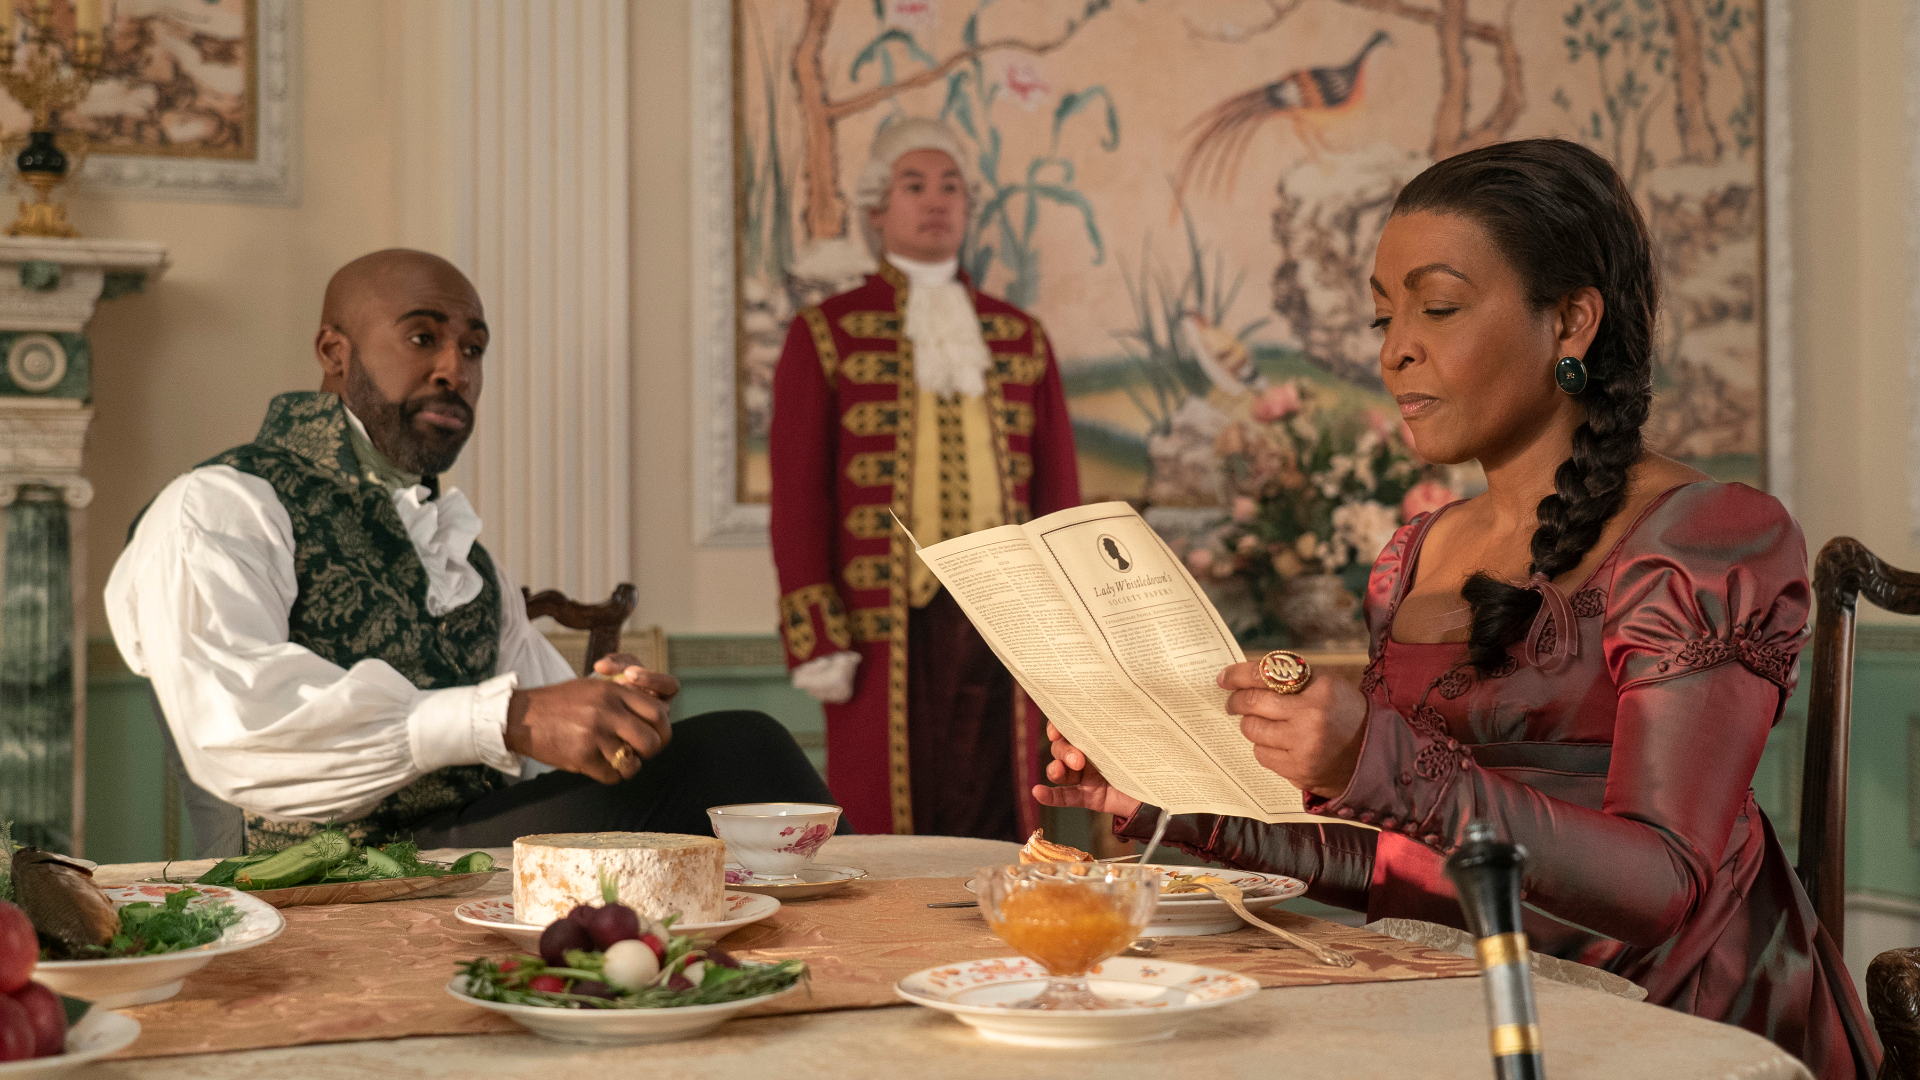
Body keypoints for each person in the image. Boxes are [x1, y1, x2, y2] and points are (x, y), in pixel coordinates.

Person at [1035, 140, 1878, 1078]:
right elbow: (1402, 863)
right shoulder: (1416, 555)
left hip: (1672, 1022)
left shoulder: (1711, 534)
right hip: (1458, 1001)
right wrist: (1171, 810)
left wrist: (1375, 757)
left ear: (1570, 321)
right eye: (1382, 313)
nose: (1396, 346)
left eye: (1437, 307)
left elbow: (1660, 886)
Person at [108, 249, 838, 856]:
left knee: (733, 760)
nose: (456, 368)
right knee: (740, 751)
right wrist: (509, 718)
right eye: (424, 338)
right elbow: (237, 730)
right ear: (334, 352)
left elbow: (536, 721)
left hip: (453, 850)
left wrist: (613, 711)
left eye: (474, 348)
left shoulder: (466, 559)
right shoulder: (220, 505)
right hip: (318, 876)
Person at [769, 118, 1081, 838]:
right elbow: (799, 497)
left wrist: (1067, 624)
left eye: (951, 187)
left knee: (1006, 811)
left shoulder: (1020, 335)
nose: (935, 200)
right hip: (883, 622)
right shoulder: (827, 332)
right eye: (914, 185)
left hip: (1002, 623)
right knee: (886, 820)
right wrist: (817, 633)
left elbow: (1057, 492)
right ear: (879, 209)